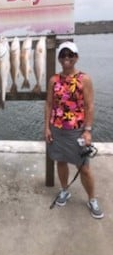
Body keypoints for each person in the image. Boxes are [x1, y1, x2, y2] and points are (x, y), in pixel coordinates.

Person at [45, 41, 104, 219]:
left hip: (76, 130)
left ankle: (92, 199)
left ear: (76, 57)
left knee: (84, 167)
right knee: (60, 161)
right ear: (59, 58)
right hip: (57, 129)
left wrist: (87, 131)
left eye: (70, 55)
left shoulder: (84, 79)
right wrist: (47, 127)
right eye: (63, 55)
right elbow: (49, 104)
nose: (66, 58)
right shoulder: (54, 80)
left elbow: (90, 105)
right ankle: (64, 190)